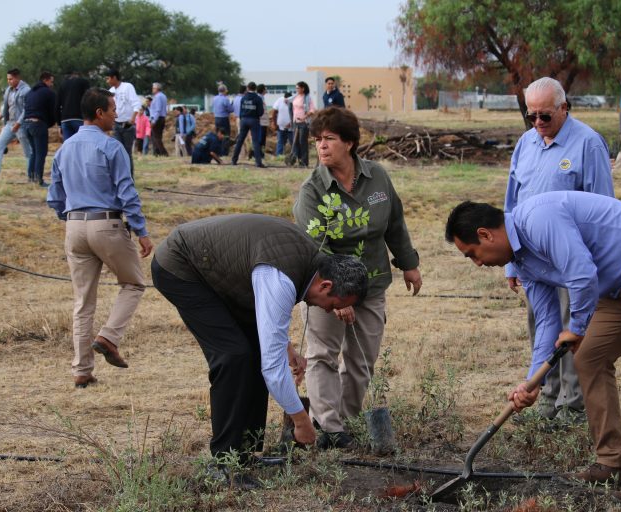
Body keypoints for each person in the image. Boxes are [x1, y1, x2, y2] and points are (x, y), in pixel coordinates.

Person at [445, 193, 621, 510]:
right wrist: (533, 382)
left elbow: (581, 273)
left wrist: (576, 326)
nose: (478, 263)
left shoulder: (539, 218)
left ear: (485, 234)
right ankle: (613, 462)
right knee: (588, 357)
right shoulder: (522, 261)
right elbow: (548, 320)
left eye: (472, 254)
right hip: (614, 287)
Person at [151, 214, 368, 481]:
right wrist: (301, 421)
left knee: (251, 351)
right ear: (326, 285)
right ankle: (224, 464)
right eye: (333, 304)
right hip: (181, 265)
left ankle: (245, 455)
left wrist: (287, 348)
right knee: (233, 357)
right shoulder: (281, 277)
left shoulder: (309, 265)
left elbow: (267, 325)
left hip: (217, 270)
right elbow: (273, 367)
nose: (329, 310)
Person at [293, 107, 422, 449]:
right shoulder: (312, 191)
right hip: (327, 288)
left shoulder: (377, 177)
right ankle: (328, 428)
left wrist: (409, 263)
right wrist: (338, 300)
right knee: (322, 354)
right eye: (317, 140)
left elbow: (394, 222)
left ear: (349, 143)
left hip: (373, 282)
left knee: (362, 360)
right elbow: (314, 250)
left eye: (329, 139)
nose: (321, 146)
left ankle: (347, 422)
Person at [505, 77, 614, 425]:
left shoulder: (588, 144)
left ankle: (573, 405)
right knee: (541, 327)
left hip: (571, 257)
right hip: (532, 258)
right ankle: (547, 398)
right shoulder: (525, 143)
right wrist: (511, 263)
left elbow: (603, 207)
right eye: (531, 115)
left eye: (545, 116)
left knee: (571, 330)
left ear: (564, 108)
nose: (538, 122)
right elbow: (511, 202)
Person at [46, 88, 153, 388]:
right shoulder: (112, 147)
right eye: (112, 109)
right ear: (99, 114)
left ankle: (81, 370)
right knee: (133, 284)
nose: (116, 114)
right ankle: (109, 336)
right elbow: (127, 193)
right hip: (106, 224)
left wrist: (69, 218)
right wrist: (141, 231)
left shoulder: (64, 149)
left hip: (74, 227)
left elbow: (54, 196)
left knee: (83, 302)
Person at [0, 68, 32, 181]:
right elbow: (5, 108)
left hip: (22, 125)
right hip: (9, 124)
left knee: (28, 151)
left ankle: (32, 175)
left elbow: (27, 109)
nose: (9, 81)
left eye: (11, 79)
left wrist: (19, 123)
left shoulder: (26, 90)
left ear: (17, 78)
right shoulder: (8, 90)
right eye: (7, 79)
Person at [22, 71, 57, 186]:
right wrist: (51, 123)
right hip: (38, 124)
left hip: (26, 124)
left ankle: (31, 177)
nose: (52, 84)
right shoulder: (48, 93)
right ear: (45, 80)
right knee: (41, 153)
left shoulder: (30, 92)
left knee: (34, 152)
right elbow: (54, 111)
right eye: (51, 82)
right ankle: (39, 180)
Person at [106, 69, 141, 175]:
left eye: (108, 78)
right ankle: (119, 176)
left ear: (114, 77)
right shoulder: (111, 91)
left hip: (127, 125)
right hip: (116, 124)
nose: (107, 81)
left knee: (126, 152)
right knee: (117, 151)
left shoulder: (127, 87)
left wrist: (132, 119)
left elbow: (136, 104)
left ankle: (129, 177)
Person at [231, 82, 265, 168]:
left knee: (240, 140)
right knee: (255, 141)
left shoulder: (244, 98)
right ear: (255, 88)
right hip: (254, 120)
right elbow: (261, 112)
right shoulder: (258, 99)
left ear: (247, 88)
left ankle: (234, 160)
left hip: (244, 120)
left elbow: (241, 110)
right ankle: (258, 162)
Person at [55, 71, 91, 141]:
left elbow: (56, 106)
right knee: (82, 145)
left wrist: (59, 124)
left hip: (65, 120)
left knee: (69, 147)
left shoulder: (62, 85)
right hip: (79, 118)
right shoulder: (84, 82)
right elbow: (89, 100)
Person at [288, 81, 316, 167]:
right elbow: (291, 108)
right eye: (296, 88)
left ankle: (304, 162)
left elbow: (312, 110)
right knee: (295, 143)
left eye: (298, 88)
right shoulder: (295, 97)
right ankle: (298, 160)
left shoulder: (307, 98)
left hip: (304, 123)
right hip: (295, 122)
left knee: (302, 142)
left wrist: (304, 117)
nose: (296, 89)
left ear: (303, 89)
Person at [212, 84, 233, 155]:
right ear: (224, 91)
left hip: (216, 118)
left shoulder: (214, 98)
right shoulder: (225, 99)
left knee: (218, 135)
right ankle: (224, 152)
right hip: (223, 119)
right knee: (226, 135)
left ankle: (217, 150)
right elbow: (230, 109)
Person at [149, 82, 169, 156]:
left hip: (157, 118)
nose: (152, 89)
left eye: (153, 88)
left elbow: (158, 110)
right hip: (162, 117)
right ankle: (157, 152)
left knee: (156, 137)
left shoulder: (157, 97)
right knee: (158, 136)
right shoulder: (163, 96)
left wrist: (154, 120)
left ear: (157, 89)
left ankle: (164, 153)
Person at [272, 92, 294, 156]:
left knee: (293, 142)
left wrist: (291, 123)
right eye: (285, 100)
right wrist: (275, 123)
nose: (286, 102)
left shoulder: (294, 103)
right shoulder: (279, 100)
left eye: (288, 100)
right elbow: (274, 112)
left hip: (291, 128)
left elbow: (296, 114)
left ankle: (295, 156)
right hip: (280, 127)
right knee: (280, 142)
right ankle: (279, 156)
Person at [256, 84, 269, 159]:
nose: (266, 90)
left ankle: (261, 154)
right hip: (261, 121)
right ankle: (258, 154)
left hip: (263, 122)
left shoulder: (262, 97)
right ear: (263, 90)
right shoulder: (259, 98)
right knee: (260, 138)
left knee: (262, 138)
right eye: (265, 88)